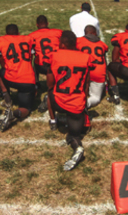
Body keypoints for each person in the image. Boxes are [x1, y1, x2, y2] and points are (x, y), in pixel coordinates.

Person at [46, 30, 93, 171]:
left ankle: (53, 120)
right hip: (77, 105)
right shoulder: (85, 57)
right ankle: (77, 146)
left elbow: (50, 84)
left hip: (58, 102)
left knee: (49, 92)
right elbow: (86, 83)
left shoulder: (55, 55)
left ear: (62, 43)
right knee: (73, 135)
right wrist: (83, 101)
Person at [0, 24, 36, 132]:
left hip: (10, 77)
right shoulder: (27, 39)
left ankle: (8, 100)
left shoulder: (1, 40)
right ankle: (15, 114)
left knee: (1, 72)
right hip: (27, 80)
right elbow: (32, 56)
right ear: (18, 32)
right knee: (26, 109)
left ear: (6, 33)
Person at [28, 15, 63, 110]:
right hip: (56, 66)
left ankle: (36, 82)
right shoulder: (58, 32)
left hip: (41, 66)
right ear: (47, 23)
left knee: (35, 60)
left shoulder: (32, 36)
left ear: (37, 25)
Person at [76, 25, 108, 109]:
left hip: (82, 71)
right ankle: (86, 104)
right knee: (96, 98)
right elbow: (105, 60)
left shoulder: (78, 41)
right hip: (98, 72)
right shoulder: (102, 44)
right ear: (94, 33)